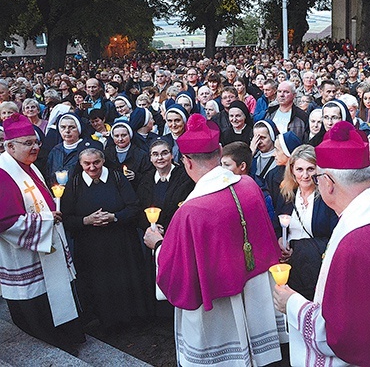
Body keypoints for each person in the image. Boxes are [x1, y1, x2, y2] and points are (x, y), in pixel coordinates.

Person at [273, 121, 370, 366]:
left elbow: (342, 337)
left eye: (316, 177)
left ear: (329, 182)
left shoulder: (356, 242)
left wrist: (291, 303)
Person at [143, 113, 284, 366]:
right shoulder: (249, 185)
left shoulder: (190, 211)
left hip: (219, 308)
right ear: (219, 151)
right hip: (254, 293)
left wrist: (157, 245)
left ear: (185, 161)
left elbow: (178, 271)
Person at [0, 113, 84, 355]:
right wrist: (48, 220)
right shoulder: (4, 173)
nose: (35, 147)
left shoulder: (28, 166)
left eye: (36, 142)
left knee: (56, 294)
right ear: (10, 146)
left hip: (47, 246)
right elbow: (6, 222)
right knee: (39, 304)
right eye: (28, 143)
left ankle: (68, 336)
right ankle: (51, 341)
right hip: (25, 255)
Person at [61, 148, 148, 330]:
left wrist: (114, 217)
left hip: (120, 244)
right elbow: (66, 219)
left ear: (103, 161)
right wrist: (86, 220)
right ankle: (106, 322)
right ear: (81, 164)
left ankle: (131, 321)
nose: (92, 167)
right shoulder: (74, 184)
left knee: (123, 282)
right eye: (87, 163)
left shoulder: (117, 178)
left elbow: (134, 207)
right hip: (92, 247)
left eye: (96, 163)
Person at [277, 144, 338, 300]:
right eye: (299, 169)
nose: (305, 175)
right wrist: (279, 241)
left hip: (316, 270)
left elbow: (334, 237)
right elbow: (276, 226)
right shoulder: (287, 195)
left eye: (310, 169)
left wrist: (298, 248)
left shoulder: (327, 198)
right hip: (291, 269)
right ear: (291, 170)